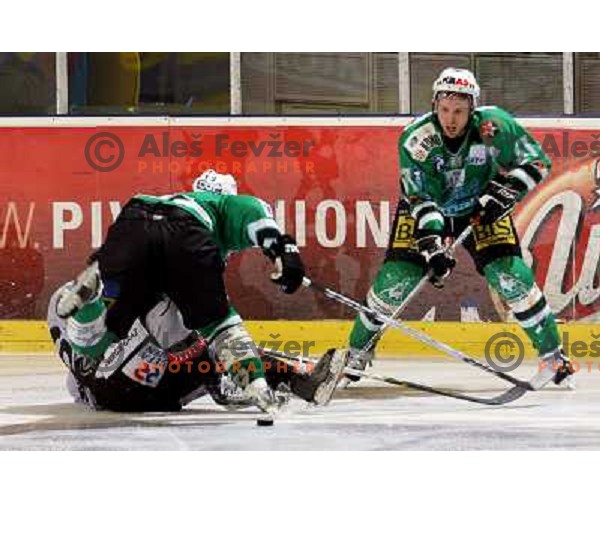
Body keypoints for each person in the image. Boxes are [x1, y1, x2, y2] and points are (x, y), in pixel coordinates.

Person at [342, 67, 573, 388]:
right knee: (396, 280)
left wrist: (505, 192)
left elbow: (536, 162)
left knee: (512, 277)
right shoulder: (417, 139)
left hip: (481, 207)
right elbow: (420, 198)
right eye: (445, 109)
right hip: (425, 209)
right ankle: (357, 351)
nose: (451, 118)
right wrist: (433, 246)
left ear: (472, 110)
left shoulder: (494, 126)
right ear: (435, 105)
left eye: (459, 111)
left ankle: (553, 355)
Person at [55, 169, 313, 414]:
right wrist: (284, 253)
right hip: (184, 232)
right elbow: (260, 222)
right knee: (217, 325)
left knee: (103, 330)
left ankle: (92, 300)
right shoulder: (227, 206)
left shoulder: (167, 202)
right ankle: (258, 385)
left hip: (133, 217)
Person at [48, 285, 347, 412]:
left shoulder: (75, 360)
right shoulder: (78, 311)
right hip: (134, 389)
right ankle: (251, 381)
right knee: (196, 333)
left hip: (147, 394)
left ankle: (236, 379)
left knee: (202, 346)